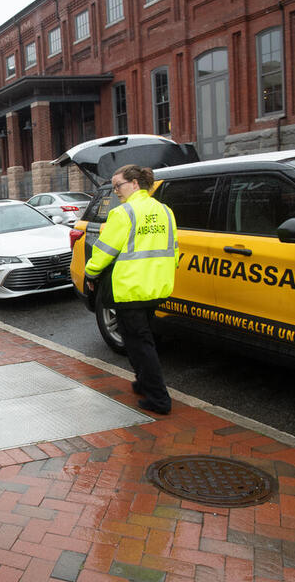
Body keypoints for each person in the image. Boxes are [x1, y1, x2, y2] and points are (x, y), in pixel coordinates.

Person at [84, 164, 178, 415]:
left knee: (139, 344)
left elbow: (104, 251)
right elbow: (174, 249)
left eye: (118, 185)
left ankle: (159, 399)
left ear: (135, 183)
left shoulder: (124, 213)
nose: (115, 191)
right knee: (139, 338)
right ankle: (142, 382)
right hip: (156, 287)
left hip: (131, 289)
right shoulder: (165, 211)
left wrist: (90, 273)